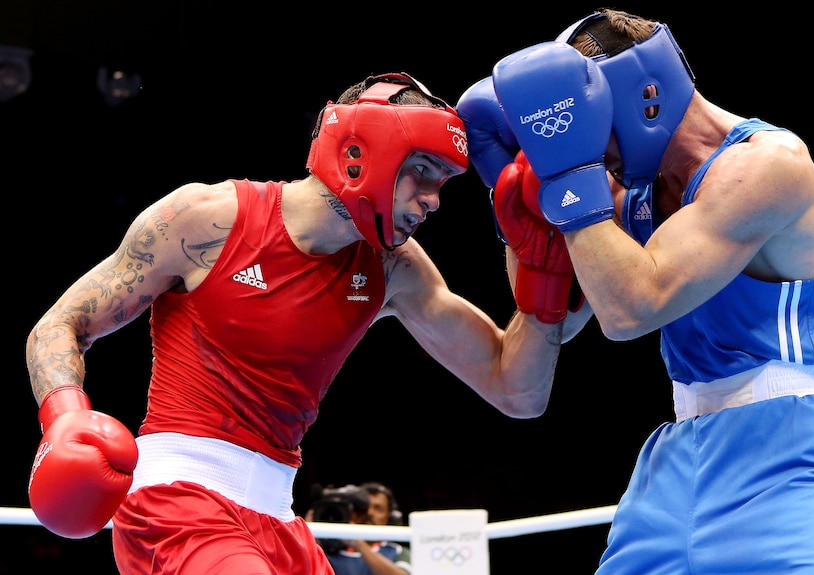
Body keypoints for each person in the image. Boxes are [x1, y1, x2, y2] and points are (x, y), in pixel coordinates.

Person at [25, 70, 594, 575]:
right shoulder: (208, 220)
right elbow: (59, 325)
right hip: (180, 503)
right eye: (422, 172)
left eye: (442, 182)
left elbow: (516, 390)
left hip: (277, 520)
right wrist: (65, 421)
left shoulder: (392, 268)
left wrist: (546, 282)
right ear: (360, 152)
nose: (434, 200)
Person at [458, 8, 814, 574]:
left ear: (647, 93)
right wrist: (526, 223)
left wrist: (566, 182)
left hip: (791, 454)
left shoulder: (769, 164)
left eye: (589, 120)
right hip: (677, 461)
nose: (592, 147)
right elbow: (565, 319)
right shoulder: (632, 197)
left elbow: (630, 311)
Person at [309, 482, 411, 575]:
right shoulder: (323, 550)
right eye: (363, 508)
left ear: (390, 516)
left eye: (378, 508)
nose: (369, 513)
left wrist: (358, 542)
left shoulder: (398, 551)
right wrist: (307, 536)